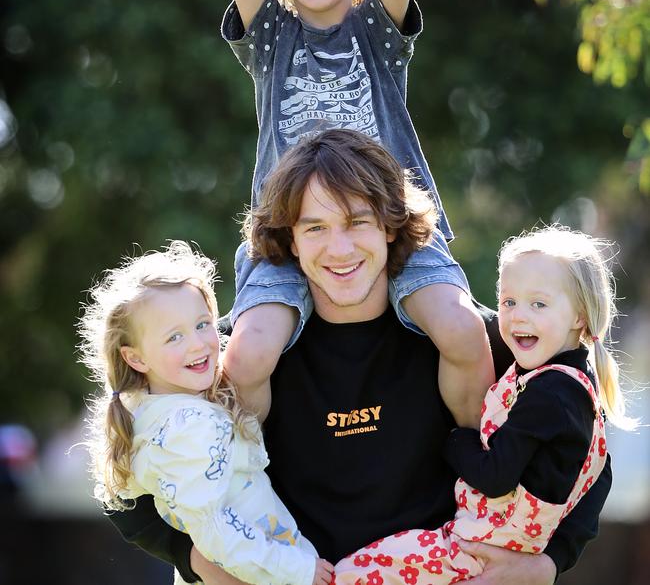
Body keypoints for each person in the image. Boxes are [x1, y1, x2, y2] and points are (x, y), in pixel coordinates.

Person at [107, 130, 612, 585]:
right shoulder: (226, 355)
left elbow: (586, 445)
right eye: (315, 228)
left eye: (357, 222)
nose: (339, 248)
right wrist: (197, 561)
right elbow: (122, 474)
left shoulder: (479, 342)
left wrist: (544, 565)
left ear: (391, 227)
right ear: (291, 242)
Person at [219, 0, 493, 428]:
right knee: (247, 357)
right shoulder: (270, 39)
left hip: (395, 225)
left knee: (462, 332)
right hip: (290, 234)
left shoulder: (376, 31)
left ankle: (477, 468)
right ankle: (251, 483)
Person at [335, 223, 636, 584]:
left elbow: (495, 477)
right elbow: (598, 475)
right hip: (504, 545)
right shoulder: (576, 382)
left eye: (538, 303)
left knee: (362, 568)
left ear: (579, 316)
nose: (519, 315)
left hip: (480, 548)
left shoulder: (549, 394)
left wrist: (451, 439)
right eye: (509, 302)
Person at [78, 240, 334, 585]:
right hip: (262, 572)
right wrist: (298, 569)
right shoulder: (189, 427)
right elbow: (214, 532)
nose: (198, 344)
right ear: (136, 358)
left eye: (202, 324)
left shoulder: (149, 408)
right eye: (174, 337)